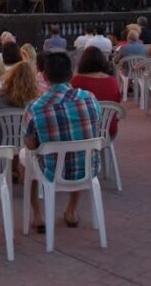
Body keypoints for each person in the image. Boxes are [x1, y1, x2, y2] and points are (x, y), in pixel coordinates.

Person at [22, 51, 102, 232]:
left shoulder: (35, 107)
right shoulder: (90, 98)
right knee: (78, 148)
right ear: (71, 73)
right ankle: (72, 210)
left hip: (51, 170)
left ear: (44, 76)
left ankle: (38, 215)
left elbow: (31, 144)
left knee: (26, 157)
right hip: (89, 168)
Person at [71, 47, 121, 137]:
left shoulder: (76, 81)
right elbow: (117, 102)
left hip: (84, 130)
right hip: (108, 129)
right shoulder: (112, 81)